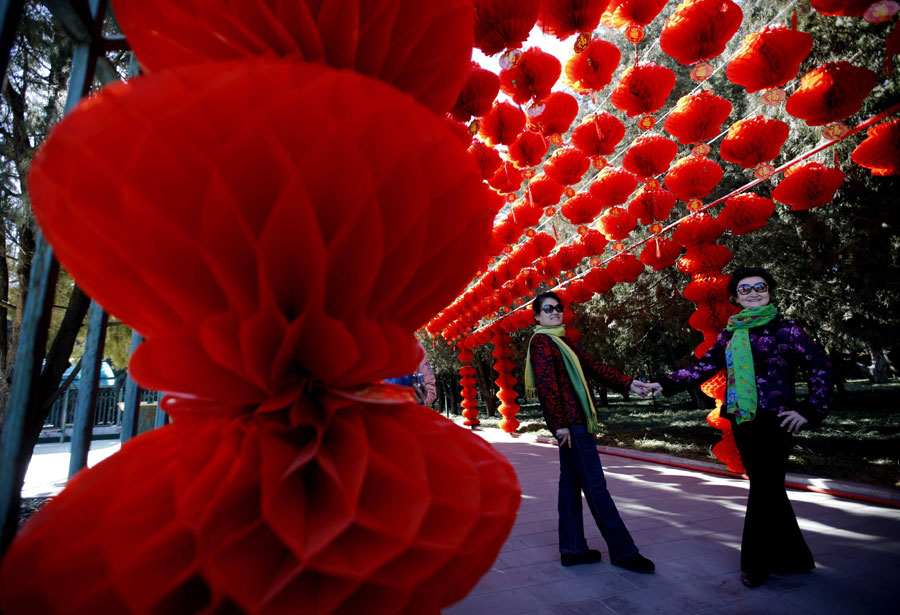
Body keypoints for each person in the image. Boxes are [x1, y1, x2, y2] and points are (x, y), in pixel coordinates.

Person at [646, 267, 834, 588]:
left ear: (770, 291)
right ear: (735, 298)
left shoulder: (785, 329)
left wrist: (810, 410)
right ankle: (794, 558)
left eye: (759, 287)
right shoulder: (730, 333)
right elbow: (704, 367)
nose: (753, 293)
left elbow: (820, 365)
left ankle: (755, 564)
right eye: (745, 290)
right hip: (743, 419)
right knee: (768, 487)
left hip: (776, 418)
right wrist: (662, 384)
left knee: (764, 487)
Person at [524, 291, 656, 573]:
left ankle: (572, 549)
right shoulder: (542, 343)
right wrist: (558, 424)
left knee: (570, 485)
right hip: (571, 423)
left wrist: (630, 383)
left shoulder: (562, 341)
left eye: (558, 308)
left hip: (575, 421)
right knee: (595, 486)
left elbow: (594, 367)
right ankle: (623, 551)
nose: (555, 312)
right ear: (536, 315)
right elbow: (547, 386)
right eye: (548, 309)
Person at [385, 341, 437, 406]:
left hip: (407, 411)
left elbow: (430, 389)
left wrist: (422, 400)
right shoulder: (370, 344)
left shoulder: (418, 348)